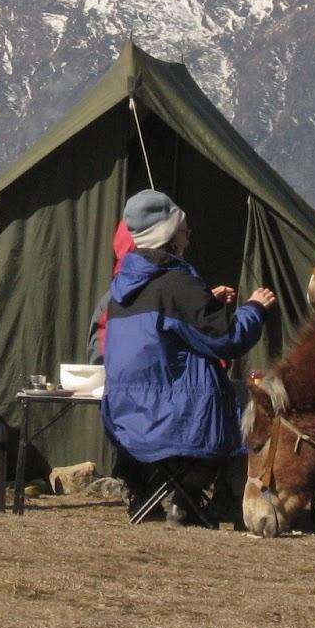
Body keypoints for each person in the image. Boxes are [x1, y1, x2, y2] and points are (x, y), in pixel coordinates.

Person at [100, 189, 276, 524]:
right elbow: (228, 339)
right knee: (248, 403)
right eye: (183, 228)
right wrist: (255, 308)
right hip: (176, 419)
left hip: (128, 419)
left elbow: (165, 337)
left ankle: (166, 493)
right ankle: (210, 500)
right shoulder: (178, 284)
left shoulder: (120, 292)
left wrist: (204, 301)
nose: (188, 234)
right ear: (168, 235)